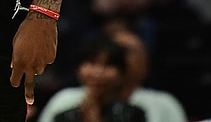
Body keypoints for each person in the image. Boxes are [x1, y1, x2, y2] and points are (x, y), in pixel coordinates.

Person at [37, 28, 186, 122]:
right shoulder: (64, 101)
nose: (98, 72)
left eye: (110, 63)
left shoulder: (159, 105)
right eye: (93, 62)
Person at [48, 33, 146, 122]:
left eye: (108, 64)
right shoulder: (64, 116)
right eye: (92, 62)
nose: (98, 73)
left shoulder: (132, 116)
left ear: (121, 72)